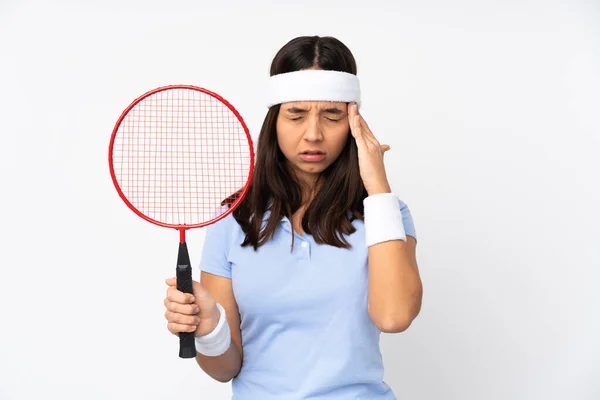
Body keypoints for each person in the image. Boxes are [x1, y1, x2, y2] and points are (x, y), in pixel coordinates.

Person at [163, 35, 423, 399]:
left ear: (353, 122)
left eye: (332, 116)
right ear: (274, 120)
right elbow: (225, 370)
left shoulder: (386, 213)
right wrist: (210, 327)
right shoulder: (232, 218)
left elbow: (394, 317)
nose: (313, 134)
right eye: (296, 115)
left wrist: (377, 185)